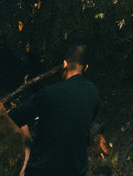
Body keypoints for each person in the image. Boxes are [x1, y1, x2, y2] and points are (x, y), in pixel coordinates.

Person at [10, 44, 99, 176]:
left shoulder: (50, 93)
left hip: (43, 171)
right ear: (86, 68)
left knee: (23, 126)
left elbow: (13, 118)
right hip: (76, 171)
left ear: (64, 64)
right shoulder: (94, 94)